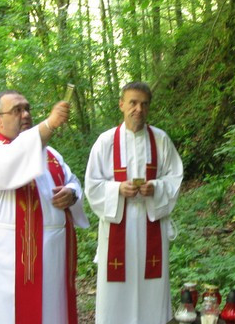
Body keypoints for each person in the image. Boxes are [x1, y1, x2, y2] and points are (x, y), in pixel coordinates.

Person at [0, 90, 89, 324]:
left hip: (54, 256)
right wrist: (50, 124)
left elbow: (72, 180)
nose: (25, 114)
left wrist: (72, 193)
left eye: (27, 109)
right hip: (10, 259)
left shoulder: (51, 153)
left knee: (52, 312)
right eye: (17, 110)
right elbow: (14, 160)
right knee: (8, 315)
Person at [85, 82, 184, 324]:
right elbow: (92, 184)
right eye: (133, 102)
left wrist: (156, 188)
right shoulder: (106, 141)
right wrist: (118, 189)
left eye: (144, 104)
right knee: (117, 290)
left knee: (151, 287)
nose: (138, 109)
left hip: (151, 225)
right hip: (119, 226)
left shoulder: (161, 140)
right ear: (121, 105)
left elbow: (175, 176)